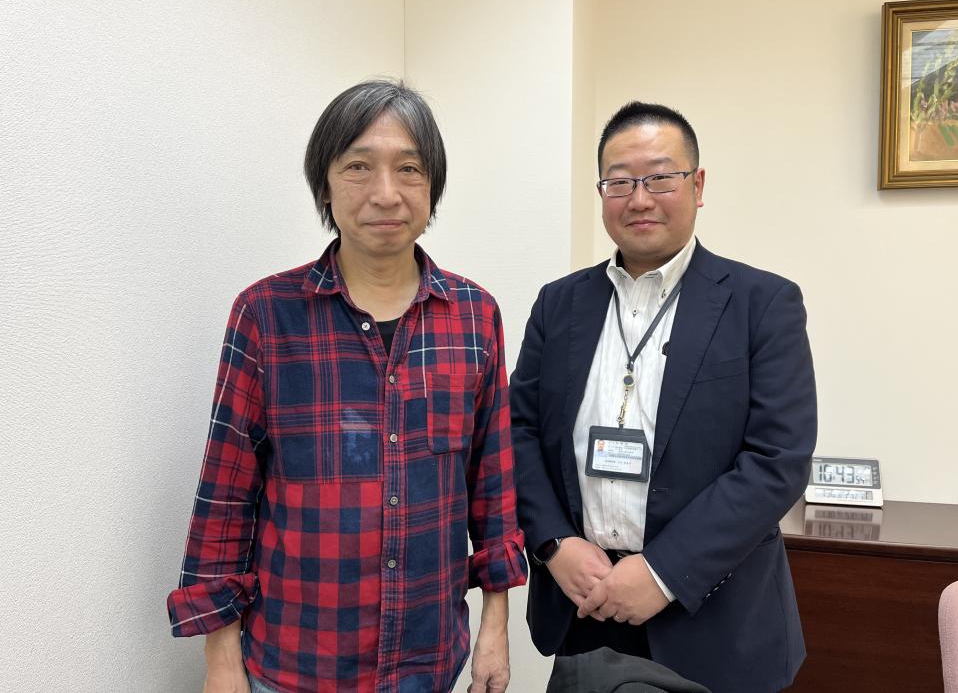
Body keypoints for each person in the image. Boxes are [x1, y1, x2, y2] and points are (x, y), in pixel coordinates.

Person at [168, 80, 527, 693]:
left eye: (408, 168)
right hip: (294, 664)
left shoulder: (475, 315)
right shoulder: (266, 314)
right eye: (359, 167)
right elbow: (226, 494)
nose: (385, 193)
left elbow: (491, 486)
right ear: (325, 187)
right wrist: (220, 658)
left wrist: (496, 625)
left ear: (432, 188)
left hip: (428, 660)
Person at [510, 101, 817, 693]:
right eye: (620, 181)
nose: (639, 199)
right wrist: (553, 544)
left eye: (659, 178)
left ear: (697, 186)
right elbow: (517, 433)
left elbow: (777, 460)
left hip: (715, 621)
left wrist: (661, 572)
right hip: (585, 605)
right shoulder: (559, 304)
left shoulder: (762, 303)